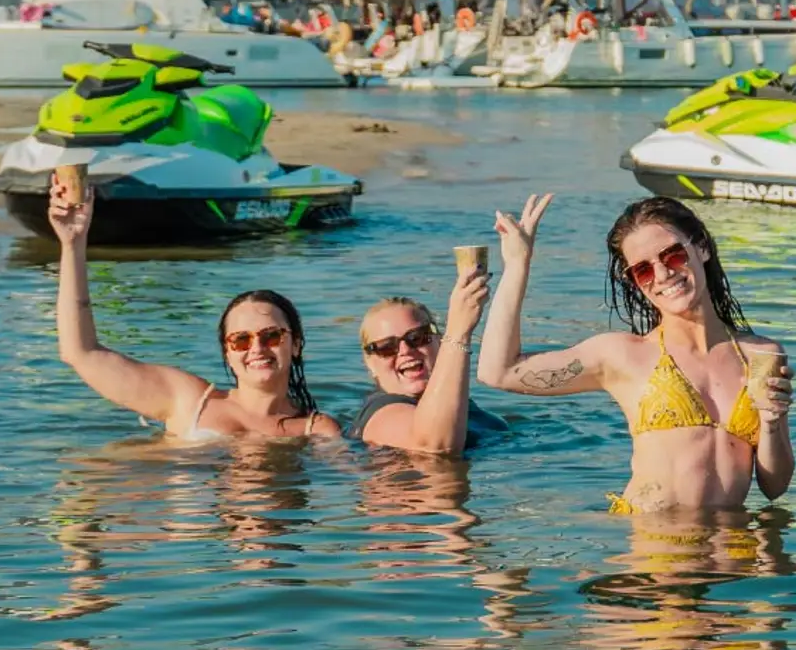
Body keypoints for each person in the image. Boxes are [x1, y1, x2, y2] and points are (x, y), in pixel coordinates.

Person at [477, 195, 796, 514]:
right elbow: (498, 371)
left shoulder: (760, 355)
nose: (662, 275)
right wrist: (518, 264)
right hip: (652, 551)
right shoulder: (622, 356)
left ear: (701, 247)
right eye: (642, 270)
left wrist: (770, 421)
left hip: (730, 555)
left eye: (672, 256)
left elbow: (775, 487)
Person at [48, 180, 340, 440]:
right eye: (241, 340)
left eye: (272, 336)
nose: (257, 349)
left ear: (297, 343)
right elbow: (80, 352)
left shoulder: (315, 429)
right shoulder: (187, 401)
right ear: (227, 351)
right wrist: (73, 244)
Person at [347, 268, 509, 455]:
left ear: (438, 342)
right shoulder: (381, 415)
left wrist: (517, 262)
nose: (405, 351)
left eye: (417, 338)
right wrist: (459, 330)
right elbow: (436, 445)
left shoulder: (467, 409)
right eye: (386, 347)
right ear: (370, 363)